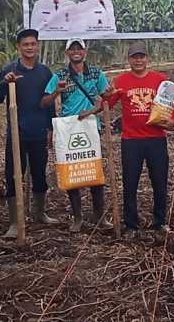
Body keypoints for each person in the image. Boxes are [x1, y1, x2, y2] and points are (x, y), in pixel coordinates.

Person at [106, 42, 174, 233]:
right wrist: (104, 97)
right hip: (131, 140)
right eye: (134, 57)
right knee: (130, 183)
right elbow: (107, 103)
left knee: (159, 181)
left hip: (156, 138)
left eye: (141, 56)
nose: (138, 60)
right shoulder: (120, 81)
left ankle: (160, 221)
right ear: (129, 59)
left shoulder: (160, 80)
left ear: (147, 58)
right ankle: (131, 224)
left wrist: (173, 120)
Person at [0, 29, 59, 239]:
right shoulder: (9, 69)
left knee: (39, 173)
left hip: (39, 131)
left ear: (37, 46)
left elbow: (49, 103)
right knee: (14, 175)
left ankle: (39, 213)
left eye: (33, 44)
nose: (30, 47)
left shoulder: (45, 72)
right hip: (17, 132)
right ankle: (14, 221)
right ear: (18, 47)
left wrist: (51, 128)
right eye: (25, 44)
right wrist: (5, 83)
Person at [41, 38, 112, 232]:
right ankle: (78, 217)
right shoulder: (60, 75)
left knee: (94, 170)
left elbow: (106, 101)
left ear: (85, 51)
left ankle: (100, 216)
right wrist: (57, 91)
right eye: (72, 49)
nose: (76, 52)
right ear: (67, 53)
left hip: (90, 127)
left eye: (79, 48)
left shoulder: (97, 74)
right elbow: (44, 102)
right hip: (68, 129)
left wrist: (92, 110)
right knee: (72, 172)